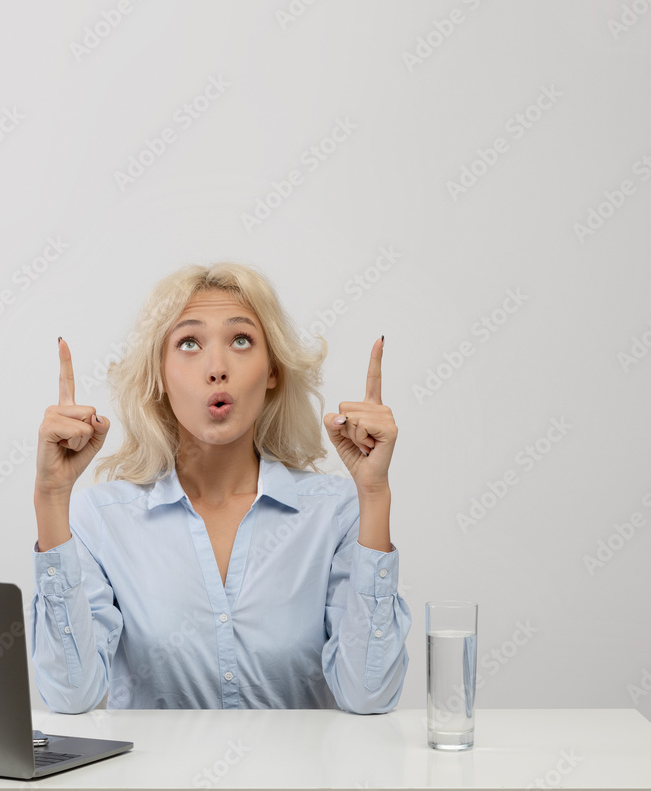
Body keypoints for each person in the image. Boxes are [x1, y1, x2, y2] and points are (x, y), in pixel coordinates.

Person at [30, 262, 411, 713]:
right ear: (160, 375)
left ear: (272, 371)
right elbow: (72, 697)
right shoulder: (101, 518)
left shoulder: (337, 512)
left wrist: (374, 494)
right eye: (189, 343)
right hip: (153, 785)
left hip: (297, 783)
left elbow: (369, 696)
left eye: (241, 340)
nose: (216, 368)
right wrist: (52, 498)